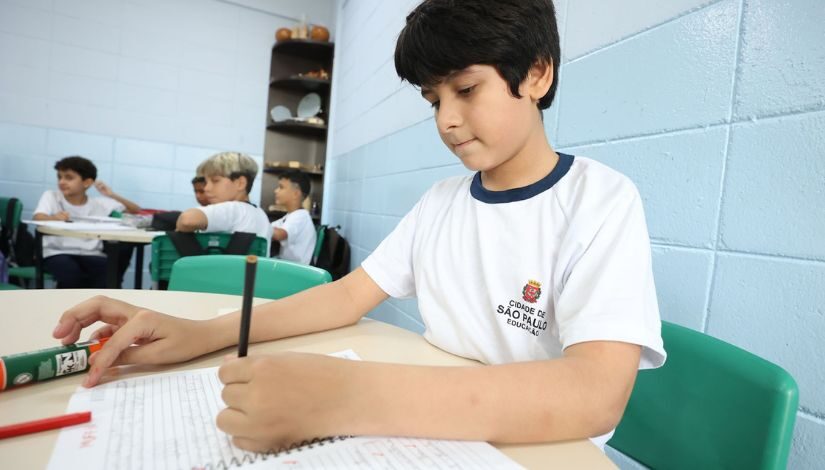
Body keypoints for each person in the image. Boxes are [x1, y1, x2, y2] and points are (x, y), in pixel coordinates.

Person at [52, 0, 665, 453]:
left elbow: (593, 394)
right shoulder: (442, 202)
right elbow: (348, 295)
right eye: (432, 100)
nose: (447, 120)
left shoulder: (599, 200)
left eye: (466, 89)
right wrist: (201, 333)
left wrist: (345, 396)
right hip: (434, 434)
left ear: (536, 74)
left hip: (535, 449)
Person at [33, 156, 141, 288]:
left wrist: (111, 194)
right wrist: (54, 218)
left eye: (69, 177)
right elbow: (38, 217)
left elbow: (135, 210)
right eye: (59, 177)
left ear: (87, 182)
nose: (62, 182)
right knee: (71, 274)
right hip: (57, 252)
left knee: (110, 275)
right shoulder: (51, 196)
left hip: (91, 253)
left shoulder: (99, 203)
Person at [175, 152, 272, 252]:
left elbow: (187, 220)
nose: (206, 188)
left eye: (215, 181)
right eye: (206, 182)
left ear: (240, 183)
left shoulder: (235, 209)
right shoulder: (259, 214)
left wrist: (180, 227)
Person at [271, 171, 316, 264]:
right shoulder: (290, 216)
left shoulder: (301, 216)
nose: (276, 191)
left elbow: (280, 234)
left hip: (298, 272)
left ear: (296, 193)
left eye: (281, 187)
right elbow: (271, 227)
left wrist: (259, 226)